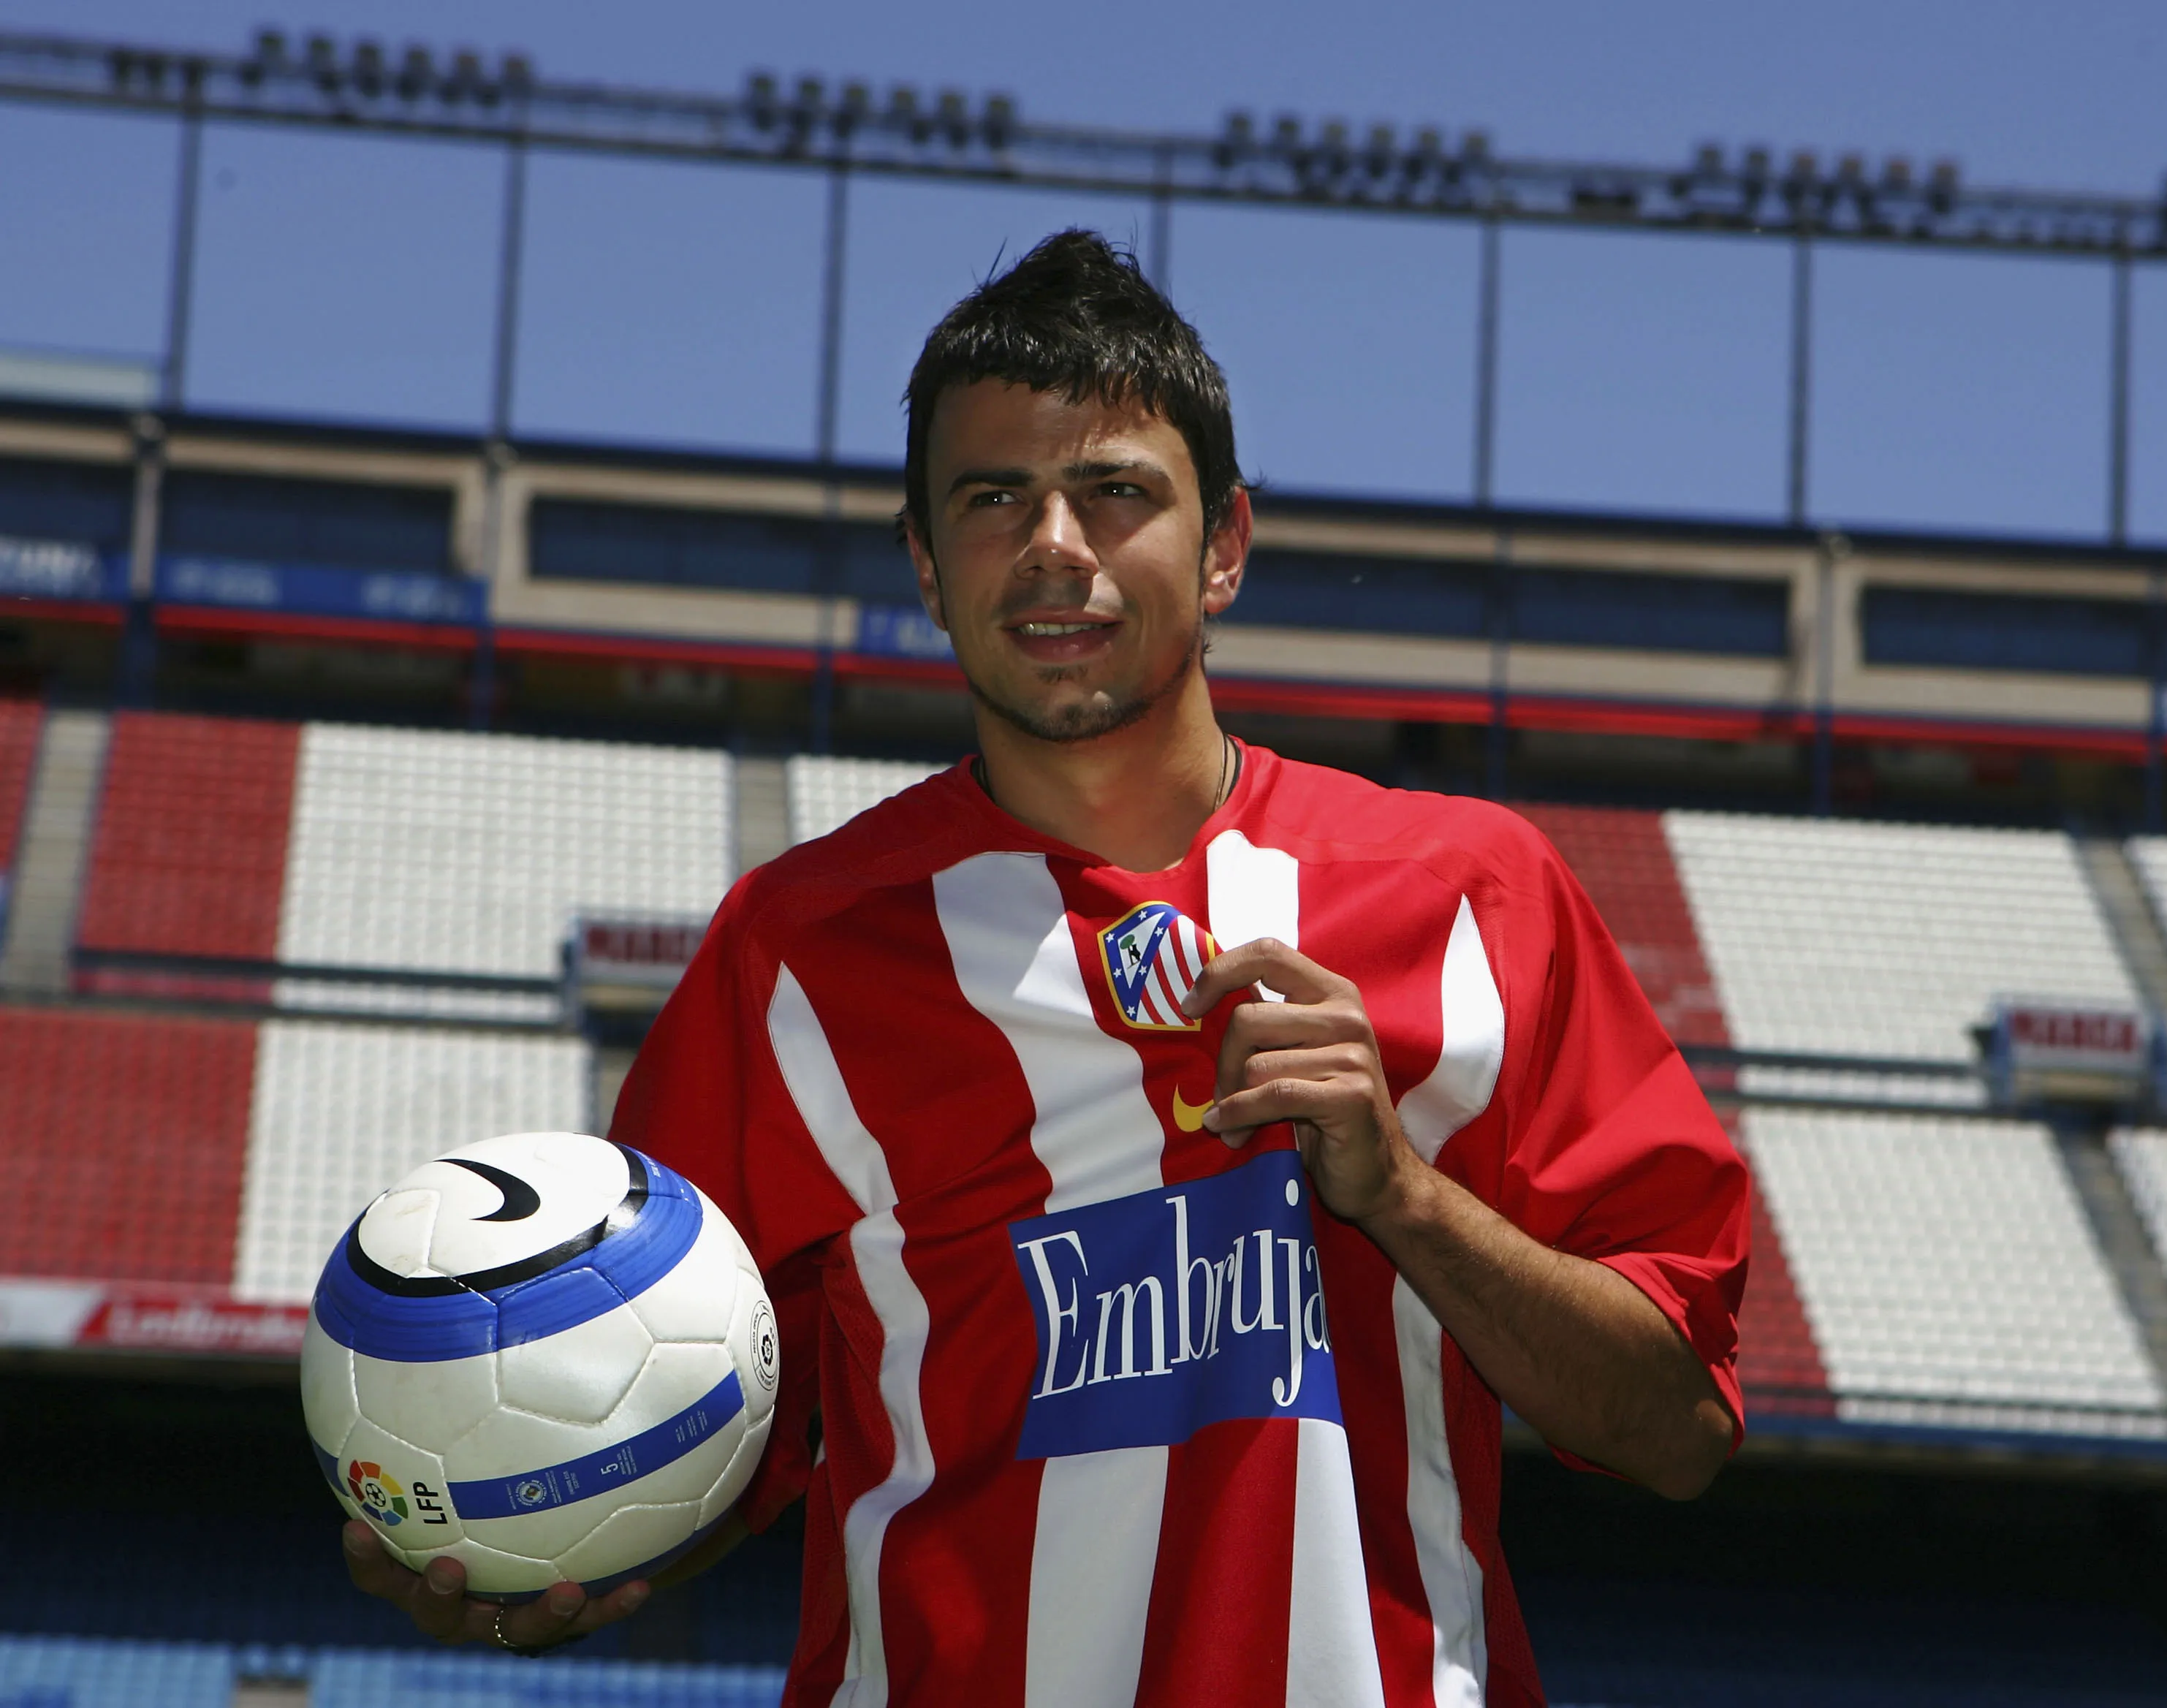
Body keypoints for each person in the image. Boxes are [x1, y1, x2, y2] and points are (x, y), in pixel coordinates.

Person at [345, 229, 1748, 1707]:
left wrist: (1404, 1193)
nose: (1055, 544)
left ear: (1225, 547)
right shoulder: (799, 951)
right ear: (925, 562)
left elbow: (1678, 1428)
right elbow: (681, 1423)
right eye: (993, 497)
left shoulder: (1475, 898)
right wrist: (526, 1561)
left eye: (1116, 492)